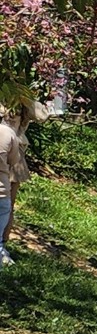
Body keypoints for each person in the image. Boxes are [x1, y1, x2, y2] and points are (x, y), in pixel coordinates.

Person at [0, 95, 28, 267]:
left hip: (13, 168)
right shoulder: (9, 133)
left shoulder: (19, 96)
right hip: (5, 179)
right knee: (5, 208)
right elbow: (13, 160)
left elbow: (41, 114)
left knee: (8, 208)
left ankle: (3, 245)